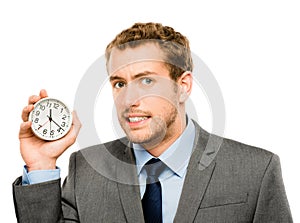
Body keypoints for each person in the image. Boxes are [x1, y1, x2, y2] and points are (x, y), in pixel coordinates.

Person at [13, 22, 293, 222]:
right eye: (119, 83)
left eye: (146, 80)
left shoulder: (256, 170)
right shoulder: (86, 169)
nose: (128, 99)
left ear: (183, 86)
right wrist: (41, 165)